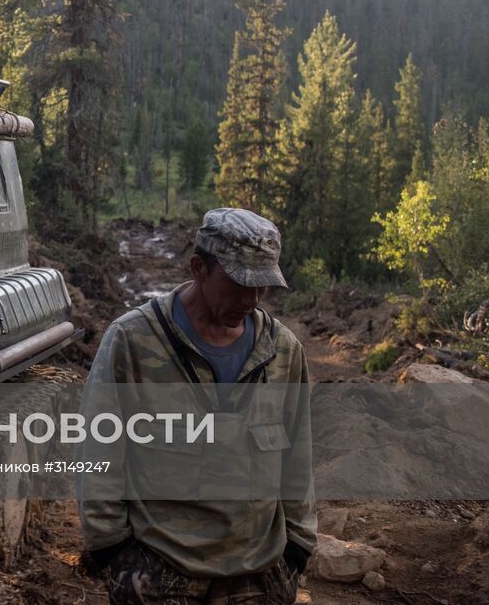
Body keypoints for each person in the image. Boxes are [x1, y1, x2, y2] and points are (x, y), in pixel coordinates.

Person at [79, 208, 317, 604]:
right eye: (239, 282)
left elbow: (299, 455)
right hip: (161, 572)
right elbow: (99, 451)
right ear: (198, 268)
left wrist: (298, 548)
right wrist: (113, 552)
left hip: (259, 576)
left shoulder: (283, 351)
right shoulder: (133, 341)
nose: (252, 299)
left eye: (263, 286)